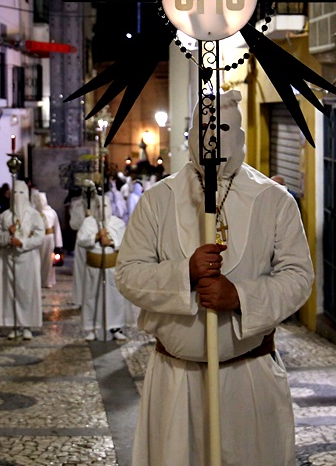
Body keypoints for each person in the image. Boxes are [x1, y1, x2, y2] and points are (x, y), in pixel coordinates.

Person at [116, 92, 313, 465]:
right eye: (205, 127)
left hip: (248, 377)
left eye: (224, 128)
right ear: (191, 134)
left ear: (239, 135)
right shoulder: (158, 200)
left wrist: (239, 296)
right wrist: (184, 274)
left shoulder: (274, 200)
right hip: (176, 381)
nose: (214, 138)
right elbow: (128, 274)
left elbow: (298, 277)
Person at [0, 181, 47, 339]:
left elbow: (39, 236)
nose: (18, 197)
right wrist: (8, 236)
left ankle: (27, 325)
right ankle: (14, 324)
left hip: (28, 259)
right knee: (11, 293)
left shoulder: (34, 215)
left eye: (21, 193)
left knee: (26, 292)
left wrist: (22, 242)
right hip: (9, 259)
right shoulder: (5, 216)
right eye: (15, 193)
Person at [78, 193, 127, 341]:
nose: (102, 210)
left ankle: (115, 327)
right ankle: (93, 327)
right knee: (93, 298)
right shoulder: (88, 222)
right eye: (98, 206)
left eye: (105, 206)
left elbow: (126, 242)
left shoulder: (117, 223)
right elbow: (81, 240)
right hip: (94, 268)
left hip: (111, 267)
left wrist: (112, 242)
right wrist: (96, 237)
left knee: (114, 298)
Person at [33, 190, 62, 289]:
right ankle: (38, 280)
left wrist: (58, 244)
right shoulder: (33, 212)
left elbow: (57, 228)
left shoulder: (51, 212)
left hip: (49, 238)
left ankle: (47, 280)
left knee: (49, 260)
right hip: (38, 238)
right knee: (37, 260)